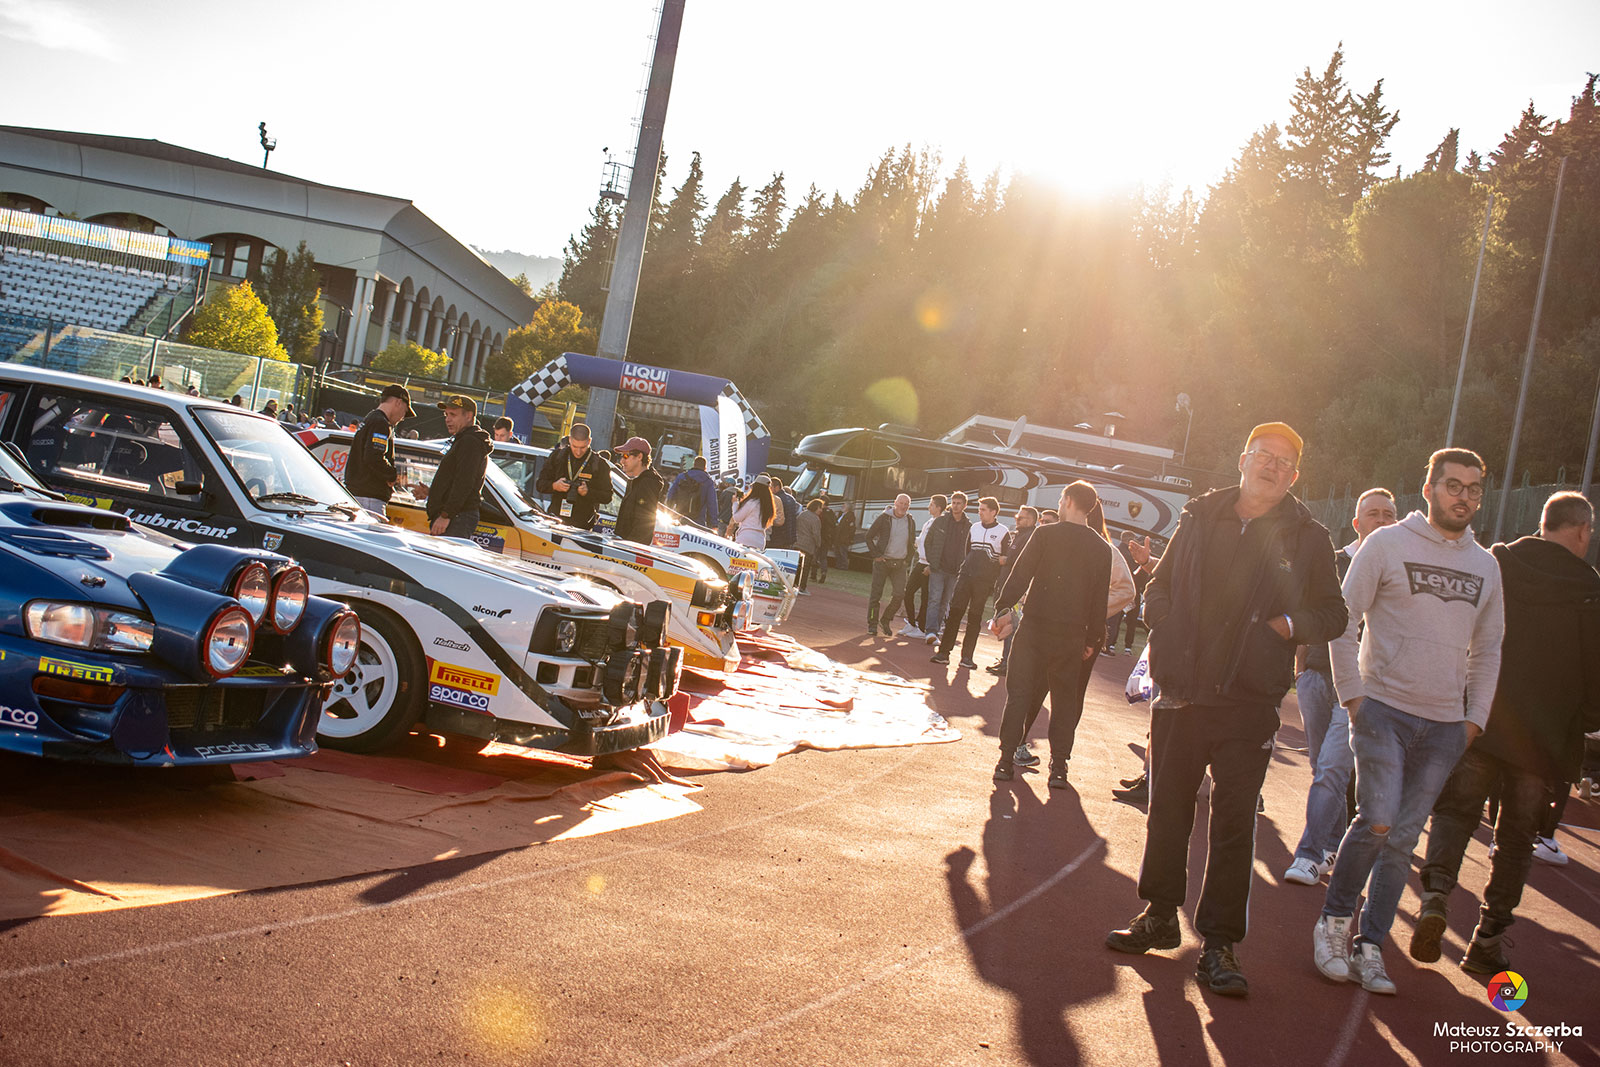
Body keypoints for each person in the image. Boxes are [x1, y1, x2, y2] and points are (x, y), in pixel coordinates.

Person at [1105, 422, 1346, 1001]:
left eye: (1284, 462)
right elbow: (1159, 584)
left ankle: (1218, 945)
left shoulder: (1308, 537)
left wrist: (1287, 626)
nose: (1272, 466)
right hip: (1182, 692)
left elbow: (1333, 613)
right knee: (1167, 810)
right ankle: (1160, 916)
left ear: (1294, 476)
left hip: (1249, 701)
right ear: (1243, 459)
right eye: (1264, 455)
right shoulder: (1199, 515)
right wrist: (1162, 620)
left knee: (1234, 825)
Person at [1313, 447, 1504, 997]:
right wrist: (1353, 696)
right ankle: (1333, 923)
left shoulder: (1485, 565)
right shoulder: (1387, 544)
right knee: (1376, 820)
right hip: (1382, 711)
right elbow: (1342, 619)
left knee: (1400, 840)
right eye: (1453, 485)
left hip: (1445, 727)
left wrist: (1474, 720)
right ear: (1429, 488)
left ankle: (1370, 945)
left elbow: (1488, 649)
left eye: (1473, 488)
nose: (1463, 496)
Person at [1411, 491, 1598, 976]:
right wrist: (1585, 721)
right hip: (1544, 738)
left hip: (1483, 717)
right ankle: (1487, 939)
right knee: (1516, 839)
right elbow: (1595, 668)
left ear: (1542, 523)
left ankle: (1435, 895)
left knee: (1455, 812)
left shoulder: (1498, 562)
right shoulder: (1589, 587)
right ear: (1582, 531)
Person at [1283, 487, 1398, 886]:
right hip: (1317, 676)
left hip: (1361, 688)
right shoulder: (1335, 561)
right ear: (1357, 522)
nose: (1381, 520)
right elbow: (1308, 612)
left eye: (1388, 514)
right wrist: (1300, 668)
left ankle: (1309, 854)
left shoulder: (1400, 570)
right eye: (1373, 514)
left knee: (1332, 768)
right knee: (1322, 767)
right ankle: (1334, 845)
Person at [990, 484, 1116, 787]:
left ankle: (1005, 761)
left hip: (1035, 628)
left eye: (1061, 499)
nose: (1059, 504)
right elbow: (1099, 600)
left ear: (1069, 501)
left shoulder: (1045, 534)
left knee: (1019, 695)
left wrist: (1002, 607)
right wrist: (1092, 639)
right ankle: (1059, 767)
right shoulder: (1102, 548)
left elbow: (1020, 575)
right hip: (1071, 635)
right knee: (1064, 702)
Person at [931, 496, 1008, 669]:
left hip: (984, 582)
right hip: (965, 577)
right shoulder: (974, 527)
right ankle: (943, 653)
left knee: (974, 617)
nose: (980, 512)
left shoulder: (1003, 532)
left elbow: (1003, 558)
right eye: (979, 509)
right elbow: (968, 552)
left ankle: (967, 657)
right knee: (954, 614)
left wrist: (992, 579)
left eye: (983, 509)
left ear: (993, 512)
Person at [427, 395, 493, 539]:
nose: (447, 419)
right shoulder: (464, 439)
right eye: (446, 415)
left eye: (453, 414)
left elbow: (464, 481)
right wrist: (431, 493)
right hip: (456, 516)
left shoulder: (470, 441)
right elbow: (454, 480)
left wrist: (446, 515)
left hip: (457, 517)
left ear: (468, 416)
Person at [345, 384, 416, 517]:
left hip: (359, 493)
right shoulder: (381, 423)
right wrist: (392, 475)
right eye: (405, 411)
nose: (402, 418)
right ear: (398, 402)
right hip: (369, 497)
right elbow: (374, 457)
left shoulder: (371, 419)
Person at [988, 505, 1039, 675]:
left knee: (1012, 627)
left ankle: (1008, 664)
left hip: (1017, 591)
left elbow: (1021, 562)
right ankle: (1005, 661)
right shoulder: (1019, 535)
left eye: (1021, 518)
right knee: (1008, 626)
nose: (1017, 520)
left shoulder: (1030, 537)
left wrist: (1006, 559)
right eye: (1017, 517)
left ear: (1031, 520)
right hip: (1007, 585)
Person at [536, 423, 613, 530]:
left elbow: (607, 496)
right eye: (575, 446)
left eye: (583, 447)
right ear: (570, 440)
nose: (578, 452)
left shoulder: (599, 464)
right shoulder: (557, 457)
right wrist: (554, 486)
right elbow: (539, 484)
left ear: (589, 441)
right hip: (556, 520)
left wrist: (588, 492)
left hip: (583, 524)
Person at [865, 493, 917, 637]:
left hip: (899, 564)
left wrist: (907, 559)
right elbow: (869, 537)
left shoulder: (910, 521)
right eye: (901, 503)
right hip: (882, 562)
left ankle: (886, 620)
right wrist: (876, 555)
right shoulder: (884, 518)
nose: (903, 506)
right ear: (895, 503)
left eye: (906, 504)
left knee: (899, 595)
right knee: (876, 595)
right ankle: (872, 624)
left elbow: (912, 541)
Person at [923, 492, 972, 645]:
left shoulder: (969, 526)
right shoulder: (941, 521)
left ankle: (936, 630)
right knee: (935, 599)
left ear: (965, 505)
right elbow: (928, 542)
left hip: (955, 571)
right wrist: (932, 561)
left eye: (959, 503)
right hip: (938, 568)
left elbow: (970, 549)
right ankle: (930, 631)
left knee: (945, 602)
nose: (955, 506)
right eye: (954, 502)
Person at [902, 495, 946, 638]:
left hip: (929, 565)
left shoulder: (941, 523)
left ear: (938, 507)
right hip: (921, 562)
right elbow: (921, 541)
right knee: (908, 592)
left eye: (931, 505)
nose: (929, 507)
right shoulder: (929, 522)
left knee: (925, 597)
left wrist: (932, 565)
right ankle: (912, 623)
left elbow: (939, 546)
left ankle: (921, 628)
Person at [614, 436, 666, 544]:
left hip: (631, 547)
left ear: (639, 457)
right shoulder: (637, 481)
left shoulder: (648, 482)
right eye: (621, 456)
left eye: (626, 456)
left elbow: (644, 522)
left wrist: (629, 547)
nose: (622, 461)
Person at [667, 456, 719, 529]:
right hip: (698, 521)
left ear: (694, 464)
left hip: (679, 517)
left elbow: (671, 495)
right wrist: (714, 524)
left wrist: (668, 512)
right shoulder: (708, 481)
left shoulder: (681, 476)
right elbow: (712, 503)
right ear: (705, 467)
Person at [728, 476, 777, 549]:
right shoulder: (769, 505)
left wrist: (735, 503)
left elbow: (737, 518)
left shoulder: (752, 502)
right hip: (760, 541)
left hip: (745, 537)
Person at [795, 499, 824, 592]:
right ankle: (802, 587)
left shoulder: (802, 514)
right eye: (820, 508)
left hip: (797, 543)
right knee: (805, 567)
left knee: (797, 566)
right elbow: (816, 534)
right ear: (816, 507)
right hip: (808, 546)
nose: (821, 510)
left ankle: (794, 584)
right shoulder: (815, 519)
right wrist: (818, 544)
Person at [768, 476, 797, 548]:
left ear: (777, 487)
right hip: (790, 535)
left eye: (770, 487)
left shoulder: (776, 499)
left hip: (777, 536)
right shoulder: (791, 498)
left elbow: (777, 518)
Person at [815, 496, 835, 584]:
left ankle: (813, 574)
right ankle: (823, 572)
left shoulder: (820, 513)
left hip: (820, 536)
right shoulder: (831, 513)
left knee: (815, 556)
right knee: (823, 557)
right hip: (827, 538)